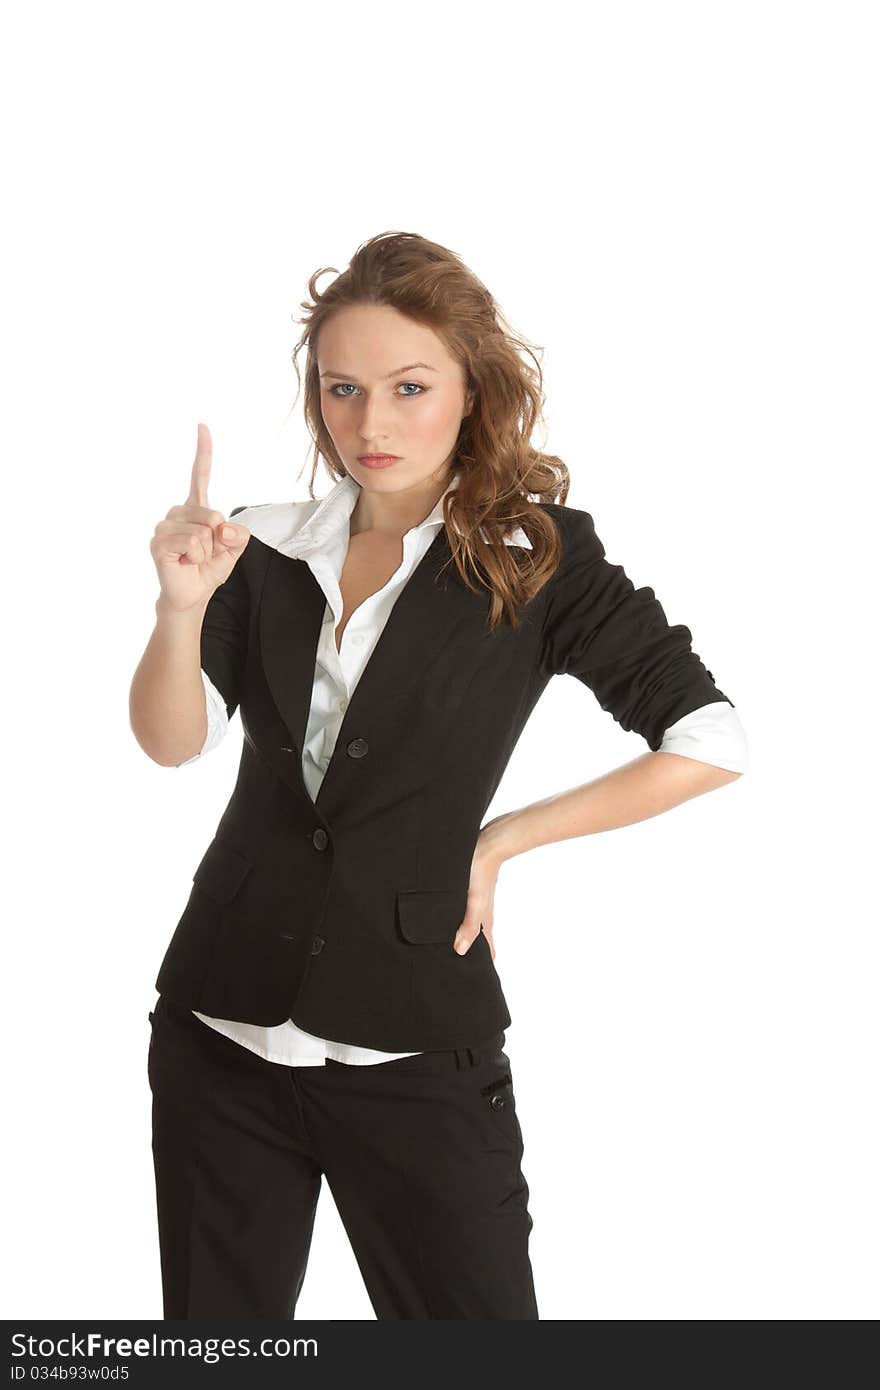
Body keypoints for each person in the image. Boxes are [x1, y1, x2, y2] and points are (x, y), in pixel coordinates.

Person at [129, 230, 748, 1321]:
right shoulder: (260, 552)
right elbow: (173, 741)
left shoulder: (537, 559)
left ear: (471, 390)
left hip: (412, 1038)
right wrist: (180, 607)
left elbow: (707, 739)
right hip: (218, 1029)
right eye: (344, 390)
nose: (371, 424)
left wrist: (502, 836)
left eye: (410, 388)